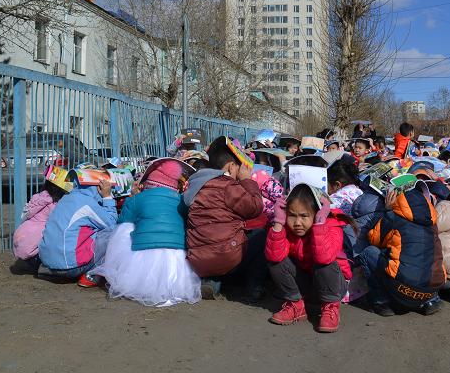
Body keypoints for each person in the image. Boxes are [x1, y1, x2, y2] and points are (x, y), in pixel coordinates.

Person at [90, 158, 201, 306]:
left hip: (141, 264)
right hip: (178, 266)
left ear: (148, 183)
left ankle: (121, 270)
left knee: (125, 228)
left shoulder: (137, 199)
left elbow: (121, 226)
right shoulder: (181, 201)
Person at [184, 136, 265, 299]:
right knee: (262, 235)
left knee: (217, 246)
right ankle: (254, 287)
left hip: (198, 260)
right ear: (231, 166)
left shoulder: (195, 186)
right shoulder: (228, 186)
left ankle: (212, 283)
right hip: (227, 256)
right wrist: (247, 181)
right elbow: (255, 208)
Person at [265, 184, 353, 333]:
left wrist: (320, 223)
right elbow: (274, 256)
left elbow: (324, 258)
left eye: (304, 216)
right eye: (292, 215)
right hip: (308, 286)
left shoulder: (331, 225)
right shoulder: (286, 227)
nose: (297, 223)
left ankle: (330, 308)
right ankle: (296, 304)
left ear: (317, 213)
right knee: (275, 260)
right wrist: (278, 222)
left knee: (323, 262)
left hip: (333, 286)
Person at [357, 185, 445, 317]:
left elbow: (374, 239)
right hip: (431, 289)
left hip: (404, 288)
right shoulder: (432, 223)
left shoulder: (394, 217)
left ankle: (382, 302)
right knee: (428, 258)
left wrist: (387, 211)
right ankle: (431, 301)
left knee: (368, 252)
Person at [37, 177, 118, 283]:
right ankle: (92, 275)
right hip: (70, 268)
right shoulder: (86, 203)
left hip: (48, 264)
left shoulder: (64, 199)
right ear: (99, 187)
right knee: (115, 233)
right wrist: (107, 197)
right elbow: (111, 223)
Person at [12, 166, 73, 269]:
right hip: (34, 243)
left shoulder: (37, 198)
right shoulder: (55, 204)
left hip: (21, 236)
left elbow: (25, 214)